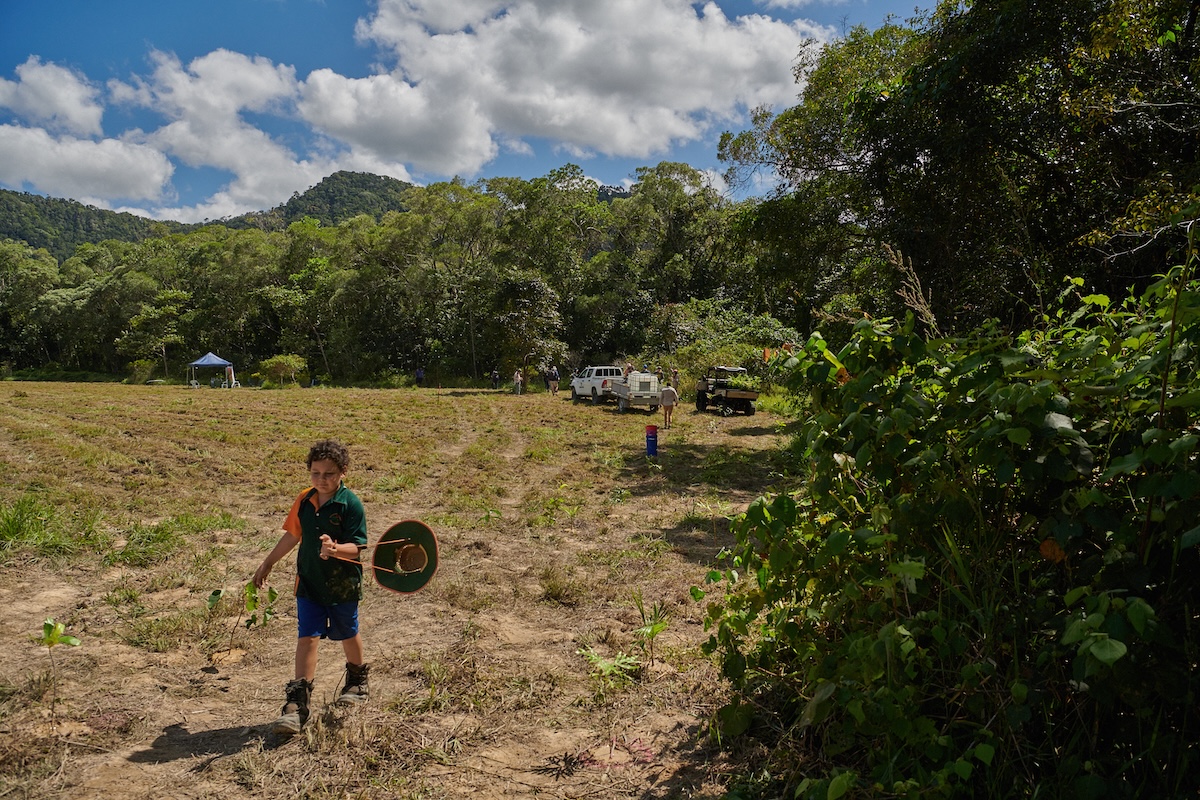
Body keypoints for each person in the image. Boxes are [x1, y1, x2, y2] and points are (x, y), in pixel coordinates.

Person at [253, 439, 370, 736]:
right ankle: (297, 704)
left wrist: (334, 549)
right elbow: (293, 535)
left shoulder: (351, 504)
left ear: (343, 472)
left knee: (348, 632)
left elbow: (357, 548)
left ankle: (356, 681)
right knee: (307, 637)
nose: (322, 479)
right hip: (309, 583)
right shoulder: (304, 500)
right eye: (315, 473)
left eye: (329, 474)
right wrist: (269, 562)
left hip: (342, 584)